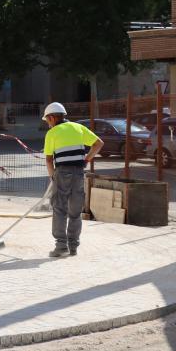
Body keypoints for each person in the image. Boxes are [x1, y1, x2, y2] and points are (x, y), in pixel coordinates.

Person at [42, 102, 104, 257]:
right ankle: (73, 246)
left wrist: (53, 177)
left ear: (52, 117)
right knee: (75, 212)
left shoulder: (52, 133)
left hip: (62, 173)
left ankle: (61, 247)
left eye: (47, 120)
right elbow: (98, 144)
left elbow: (49, 160)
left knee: (59, 209)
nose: (48, 124)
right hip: (78, 173)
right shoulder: (78, 128)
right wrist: (86, 159)